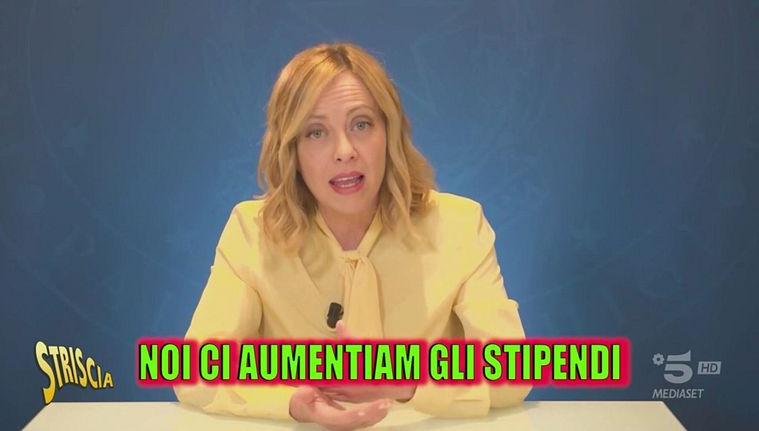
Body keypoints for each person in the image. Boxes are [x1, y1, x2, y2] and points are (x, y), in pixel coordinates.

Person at [174, 42, 531, 430]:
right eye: (316, 132)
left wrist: (405, 383)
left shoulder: (458, 225)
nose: (344, 151)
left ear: (389, 133)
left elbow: (514, 372)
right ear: (291, 150)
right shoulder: (252, 232)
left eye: (361, 124)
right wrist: (292, 403)